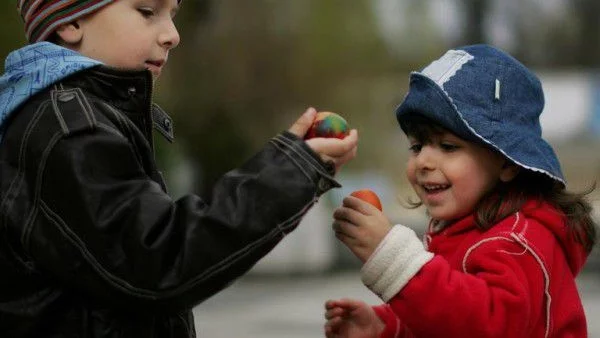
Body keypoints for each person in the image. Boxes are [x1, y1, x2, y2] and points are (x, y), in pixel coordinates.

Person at [0, 1, 359, 337]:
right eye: (147, 11)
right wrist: (289, 171)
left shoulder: (66, 118)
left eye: (172, 13)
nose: (172, 34)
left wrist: (292, 165)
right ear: (71, 21)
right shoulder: (70, 132)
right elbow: (159, 262)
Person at [324, 44, 597, 338]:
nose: (424, 161)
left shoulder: (519, 242)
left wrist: (393, 258)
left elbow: (487, 325)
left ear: (506, 163)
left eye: (448, 146)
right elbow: (451, 316)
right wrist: (389, 327)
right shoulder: (463, 227)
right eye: (417, 146)